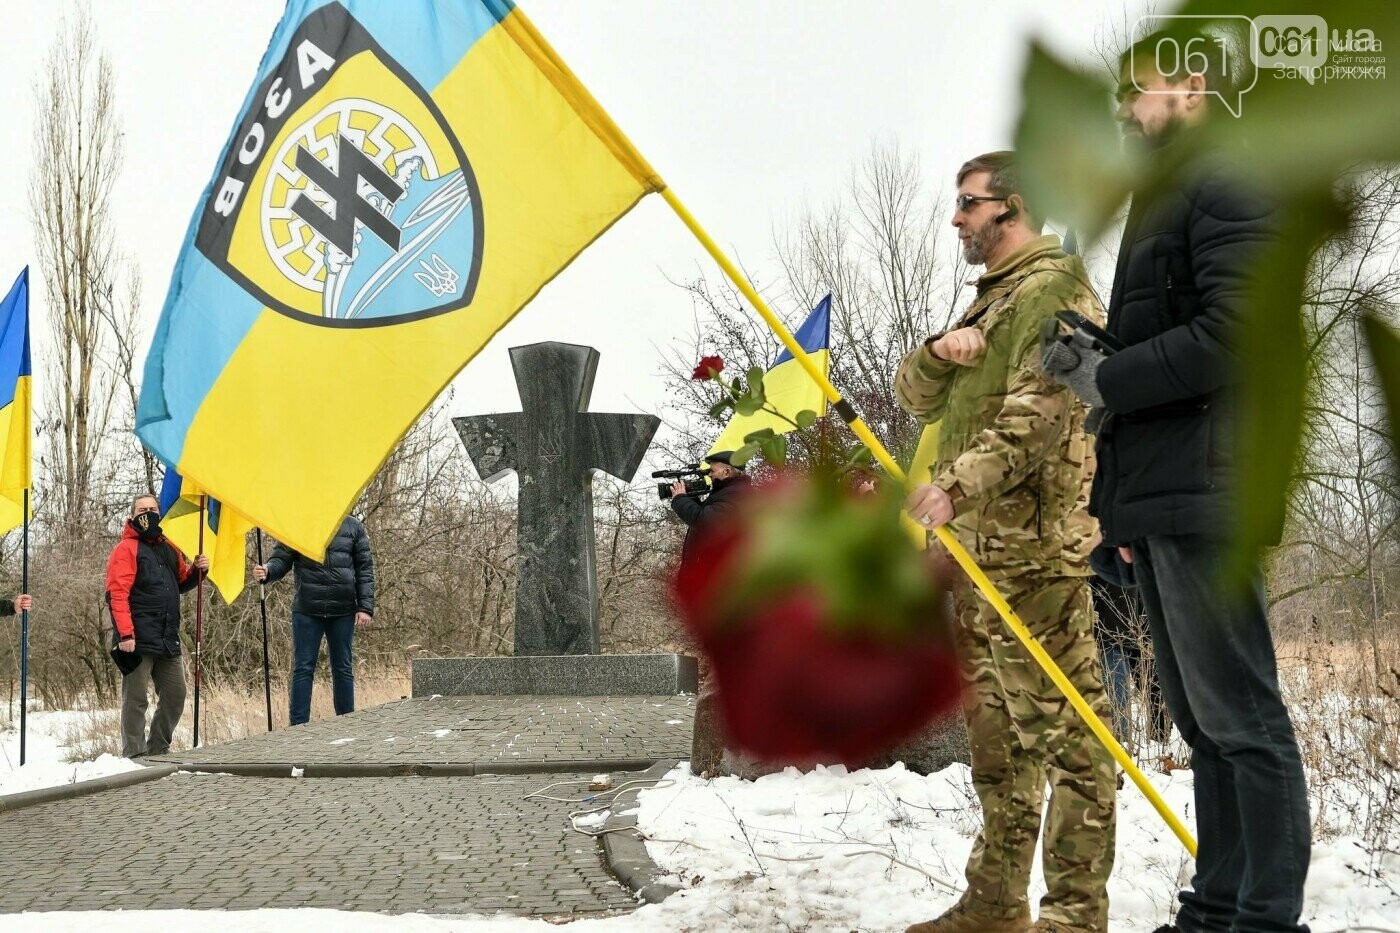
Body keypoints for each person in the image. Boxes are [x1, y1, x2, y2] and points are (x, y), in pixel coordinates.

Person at [1040, 31, 1310, 933]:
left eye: (1134, 88)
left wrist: (1105, 379)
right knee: (1201, 725)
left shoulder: (1231, 177)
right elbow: (1180, 337)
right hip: (1164, 492)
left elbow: (1238, 335)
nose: (1122, 106)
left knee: (1244, 720)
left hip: (1212, 490)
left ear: (1193, 86)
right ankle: (1218, 910)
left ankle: (1265, 919)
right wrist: (1098, 359)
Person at [897, 151, 1115, 933]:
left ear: (1011, 207)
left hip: (1034, 556)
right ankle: (994, 903)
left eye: (967, 203)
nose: (956, 218)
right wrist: (934, 354)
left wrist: (951, 486)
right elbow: (913, 395)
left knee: (1073, 741)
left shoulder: (1057, 291)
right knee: (997, 745)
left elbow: (1043, 413)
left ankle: (1074, 914)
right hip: (972, 557)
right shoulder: (985, 304)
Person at [105, 493, 209, 758]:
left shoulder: (170, 547)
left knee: (176, 695)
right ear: (132, 516)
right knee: (136, 700)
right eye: (142, 509)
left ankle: (158, 749)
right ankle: (134, 755)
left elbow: (180, 582)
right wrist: (125, 635)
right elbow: (117, 594)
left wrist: (198, 570)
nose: (148, 513)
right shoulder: (125, 549)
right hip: (137, 639)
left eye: (152, 509)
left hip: (167, 637)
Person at [670, 450, 753, 777]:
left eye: (714, 470)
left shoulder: (737, 495)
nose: (710, 475)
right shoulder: (729, 493)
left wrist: (680, 501)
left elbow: (709, 523)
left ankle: (723, 750)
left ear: (729, 472)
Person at [252, 515, 375, 725]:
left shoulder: (354, 527)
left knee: (343, 667)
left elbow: (365, 569)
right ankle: (298, 726)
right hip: (307, 610)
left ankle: (347, 723)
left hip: (343, 610)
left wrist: (365, 607)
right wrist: (268, 570)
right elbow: (281, 559)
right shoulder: (298, 524)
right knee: (303, 668)